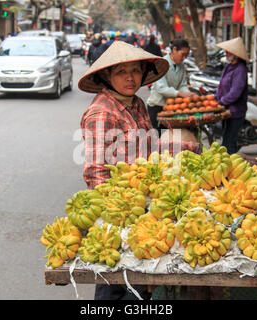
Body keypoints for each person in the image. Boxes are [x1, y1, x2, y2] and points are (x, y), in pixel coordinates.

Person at [78, 40, 201, 300]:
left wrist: (184, 150)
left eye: (135, 71)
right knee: (113, 282)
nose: (130, 78)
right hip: (119, 212)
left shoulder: (136, 104)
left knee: (137, 283)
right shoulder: (102, 113)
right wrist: (117, 219)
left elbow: (147, 154)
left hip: (142, 206)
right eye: (121, 72)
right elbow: (97, 174)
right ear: (106, 76)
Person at [146, 38, 195, 133]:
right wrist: (180, 93)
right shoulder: (161, 64)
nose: (184, 58)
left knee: (170, 137)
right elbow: (161, 88)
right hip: (157, 105)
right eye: (183, 54)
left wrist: (189, 94)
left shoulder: (181, 66)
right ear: (174, 50)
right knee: (155, 136)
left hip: (171, 106)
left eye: (186, 55)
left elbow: (182, 84)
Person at [215, 37, 249, 155]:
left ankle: (231, 168)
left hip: (235, 112)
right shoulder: (228, 67)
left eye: (228, 52)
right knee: (227, 141)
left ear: (235, 54)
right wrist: (216, 98)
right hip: (227, 111)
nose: (226, 54)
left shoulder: (240, 69)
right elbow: (220, 86)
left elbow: (235, 92)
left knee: (229, 143)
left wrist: (221, 102)